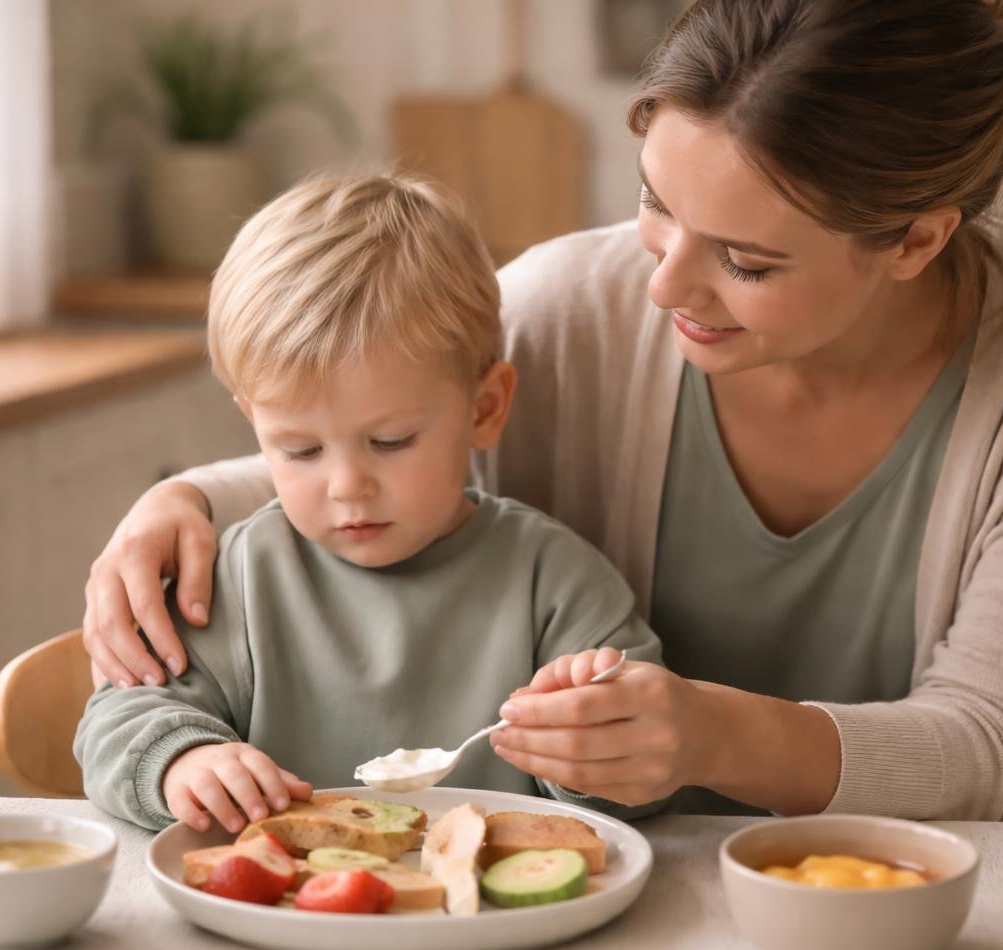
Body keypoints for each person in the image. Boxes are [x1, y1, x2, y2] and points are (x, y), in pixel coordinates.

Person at [81, 0, 1003, 823]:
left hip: (929, 914)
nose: (661, 289)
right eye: (657, 208)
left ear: (915, 240)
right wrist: (182, 498)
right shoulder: (577, 301)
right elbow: (388, 420)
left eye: (747, 261)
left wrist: (713, 734)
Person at [75, 173, 660, 834]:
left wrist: (593, 744)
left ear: (485, 408)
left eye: (390, 441)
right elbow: (119, 722)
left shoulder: (551, 579)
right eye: (299, 450)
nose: (346, 486)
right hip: (283, 921)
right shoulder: (236, 577)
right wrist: (184, 760)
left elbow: (647, 762)